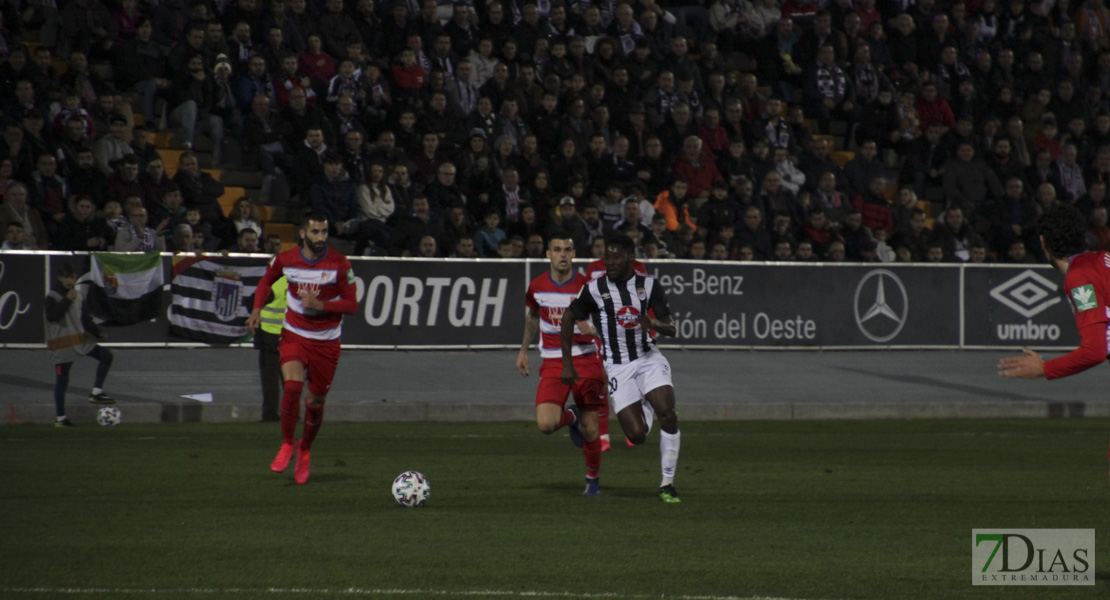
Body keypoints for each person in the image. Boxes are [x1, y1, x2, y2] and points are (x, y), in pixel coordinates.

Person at [562, 233, 683, 503]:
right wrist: (567, 363)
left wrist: (652, 325)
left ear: (631, 258)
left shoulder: (649, 286)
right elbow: (569, 316)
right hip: (617, 366)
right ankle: (648, 406)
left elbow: (671, 327)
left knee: (669, 415)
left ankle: (667, 484)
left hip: (648, 357)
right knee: (636, 435)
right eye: (607, 256)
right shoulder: (595, 288)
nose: (610, 262)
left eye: (616, 256)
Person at [247, 211, 357, 484]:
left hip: (327, 343)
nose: (321, 237)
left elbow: (352, 305)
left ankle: (305, 448)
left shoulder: (340, 265)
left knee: (315, 402)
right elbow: (266, 280)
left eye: (324, 232)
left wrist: (323, 305)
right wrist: (257, 308)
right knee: (293, 387)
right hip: (295, 335)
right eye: (316, 232)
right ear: (303, 233)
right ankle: (287, 443)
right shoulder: (286, 260)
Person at [517, 232, 606, 496]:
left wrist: (593, 330)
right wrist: (523, 351)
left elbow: (605, 321)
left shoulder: (587, 286)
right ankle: (571, 417)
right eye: (557, 250)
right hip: (554, 362)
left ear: (573, 254)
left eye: (567, 250)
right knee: (545, 425)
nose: (563, 255)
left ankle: (592, 479)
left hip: (586, 359)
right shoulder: (536, 286)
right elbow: (533, 316)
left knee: (591, 428)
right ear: (548, 255)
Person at [999, 205, 1110, 382]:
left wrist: (1045, 368)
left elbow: (1095, 351)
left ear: (1042, 241)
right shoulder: (1101, 259)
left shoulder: (1080, 277)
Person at [44, 263, 116, 427]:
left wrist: (98, 332)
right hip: (62, 346)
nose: (70, 281)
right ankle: (61, 418)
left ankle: (96, 392)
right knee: (62, 380)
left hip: (78, 341)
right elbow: (53, 316)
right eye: (66, 277)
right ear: (60, 278)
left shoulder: (78, 296)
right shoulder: (52, 296)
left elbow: (85, 319)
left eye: (72, 277)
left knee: (107, 356)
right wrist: (67, 299)